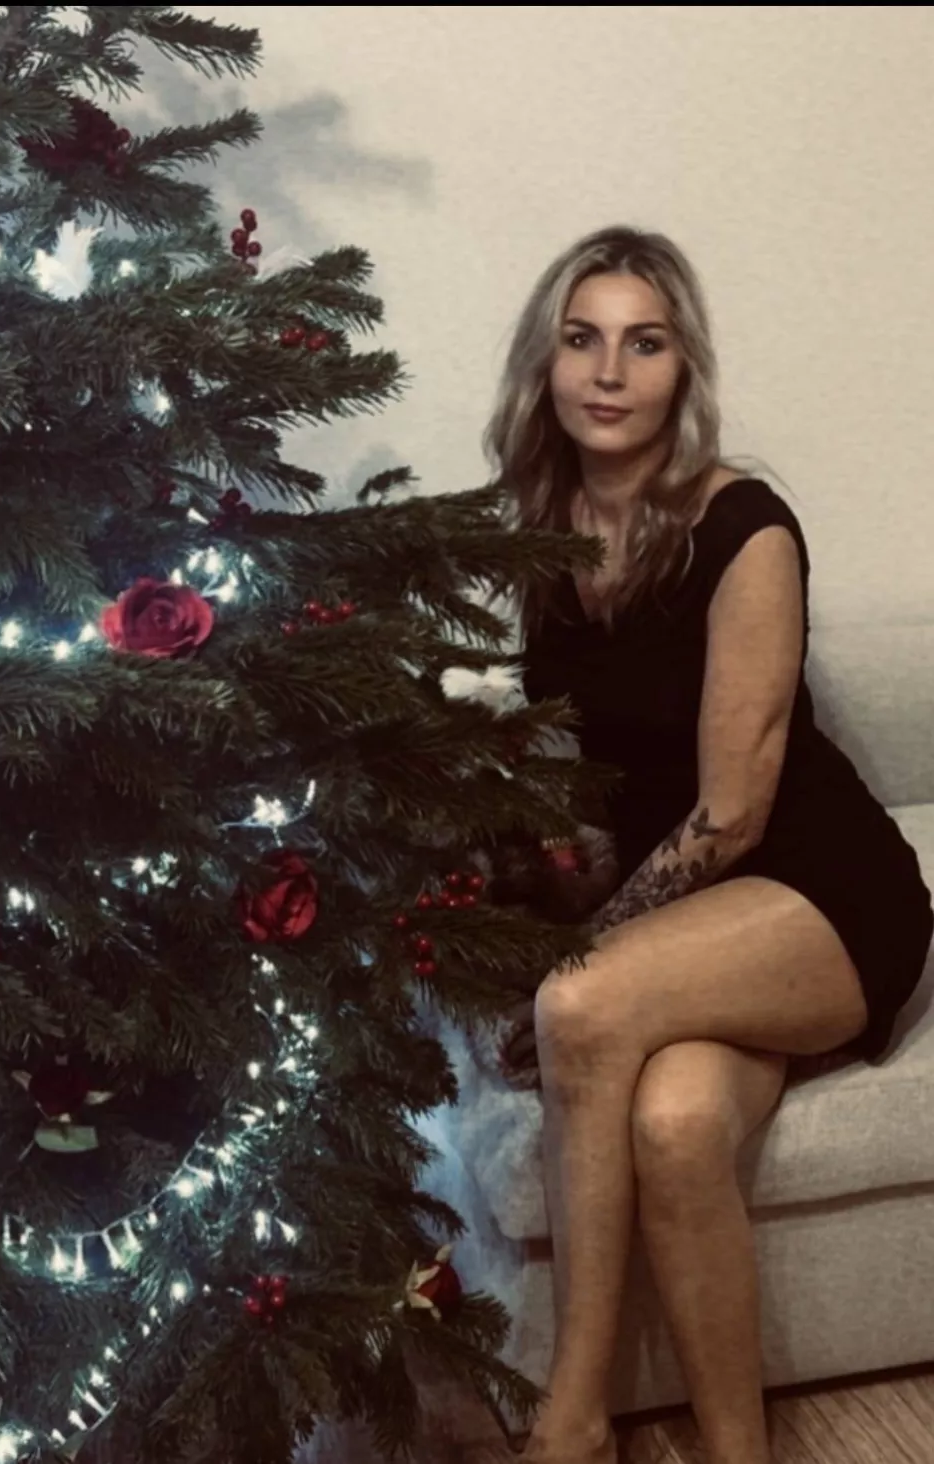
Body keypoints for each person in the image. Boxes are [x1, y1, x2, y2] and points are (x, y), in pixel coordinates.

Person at [482, 225, 934, 1464]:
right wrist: (527, 879)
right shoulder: (545, 538)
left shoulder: (744, 527)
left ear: (682, 368)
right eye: (580, 340)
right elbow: (601, 793)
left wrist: (578, 962)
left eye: (643, 343)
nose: (607, 372)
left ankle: (571, 1421)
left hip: (819, 894)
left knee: (580, 1009)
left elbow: (731, 814)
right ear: (543, 363)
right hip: (689, 915)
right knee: (675, 1124)